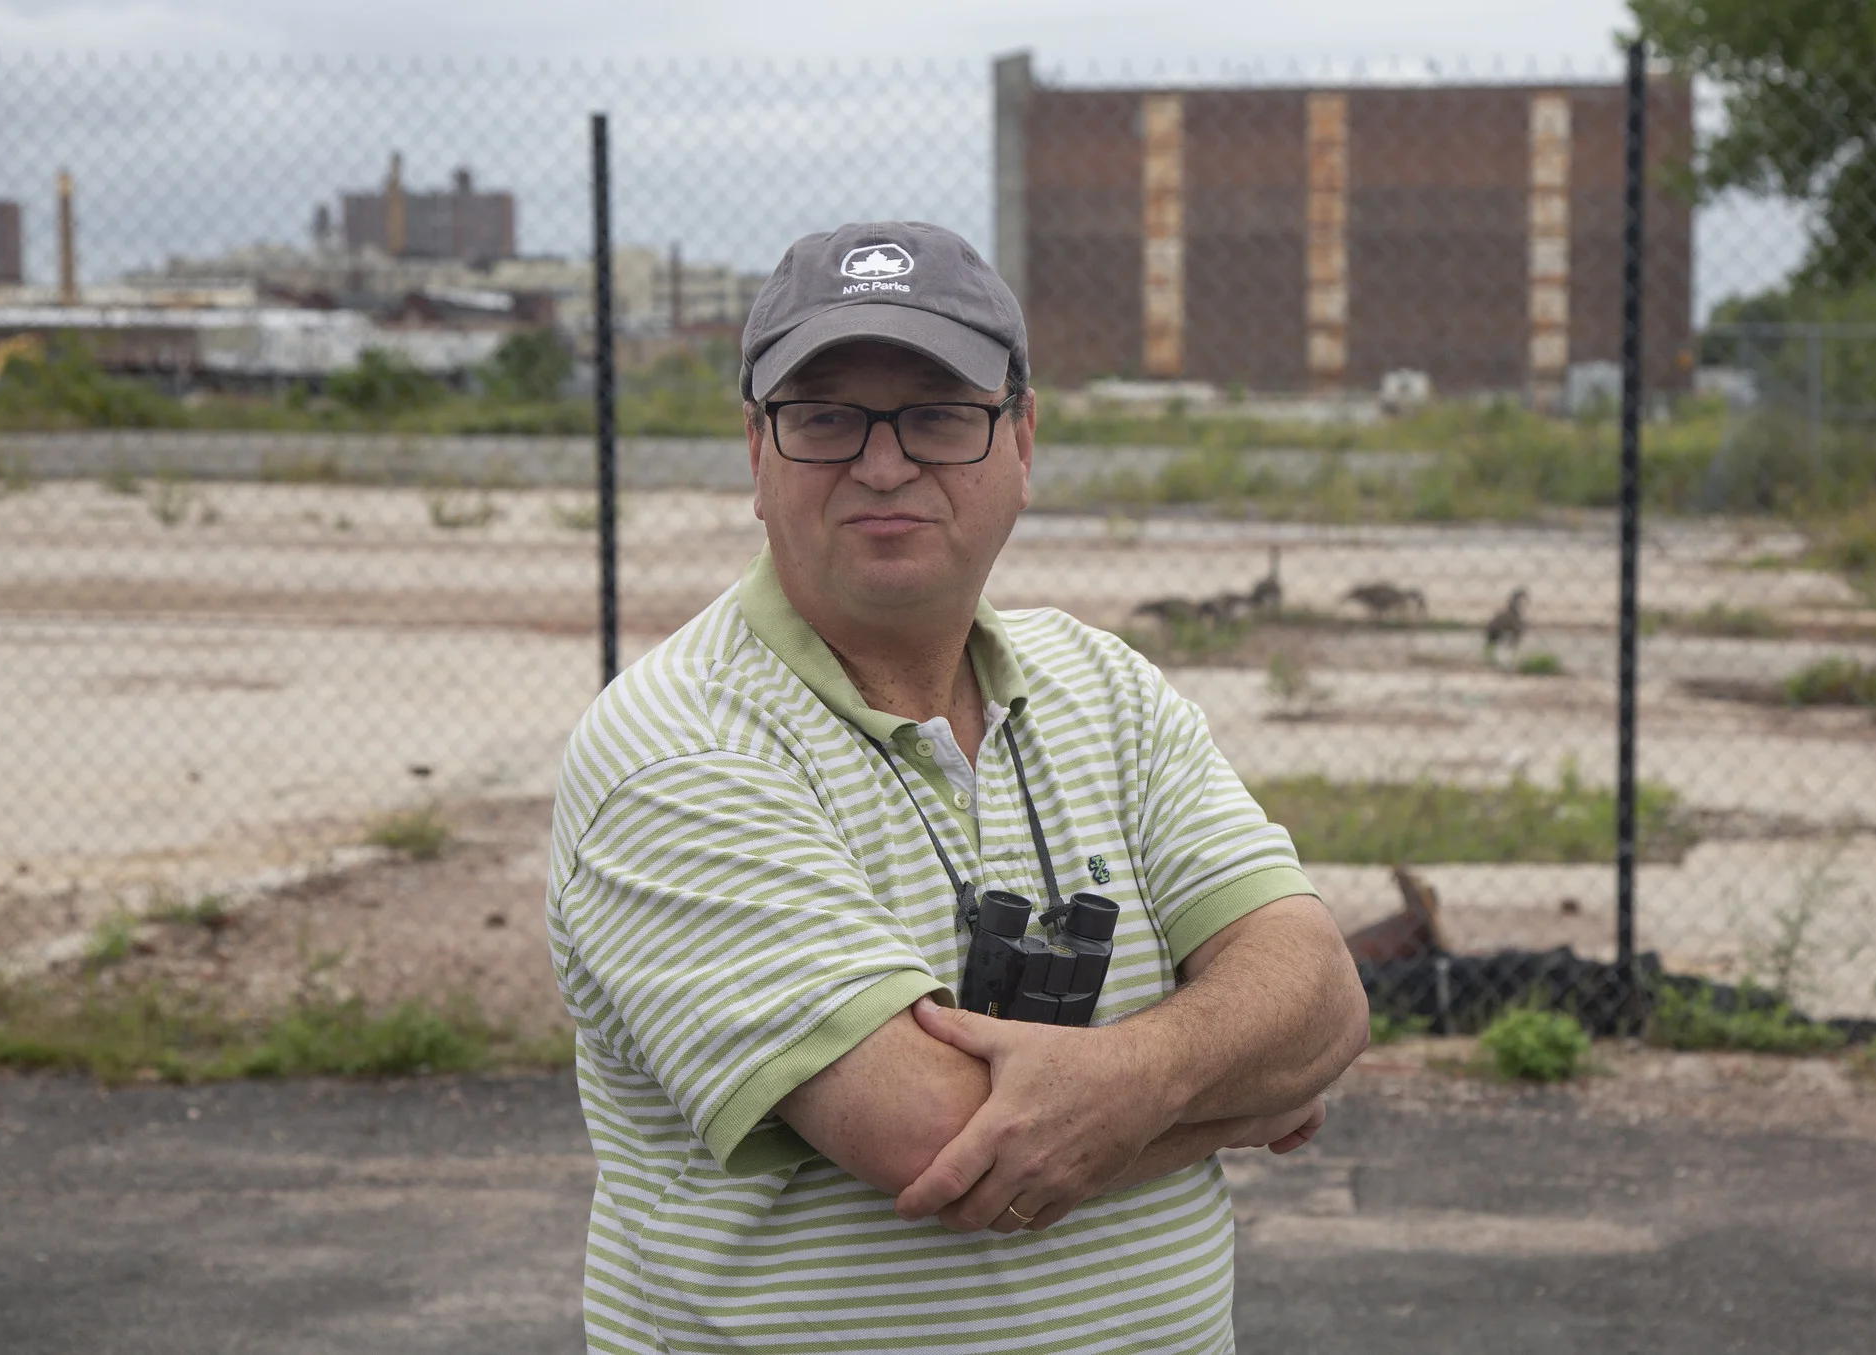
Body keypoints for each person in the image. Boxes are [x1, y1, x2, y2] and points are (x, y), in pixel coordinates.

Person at [545, 220, 1369, 1354]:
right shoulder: (675, 751)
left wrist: (1138, 1072)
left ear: (1021, 438)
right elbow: (939, 1138)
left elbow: (1321, 986)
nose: (883, 463)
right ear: (755, 449)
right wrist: (1235, 1092)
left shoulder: (1106, 688)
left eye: (939, 413)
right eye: (825, 416)